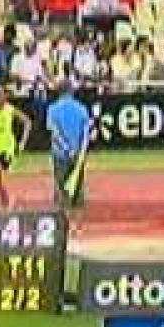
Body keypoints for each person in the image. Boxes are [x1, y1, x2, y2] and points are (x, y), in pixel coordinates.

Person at [46, 80, 92, 232]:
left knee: (61, 187)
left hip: (60, 154)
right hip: (78, 154)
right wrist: (81, 152)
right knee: (77, 188)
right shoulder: (81, 108)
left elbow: (54, 132)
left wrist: (66, 148)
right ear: (71, 91)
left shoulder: (53, 109)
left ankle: (62, 225)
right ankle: (77, 226)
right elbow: (86, 134)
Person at [0, 87, 32, 208]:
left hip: (5, 150)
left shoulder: (9, 109)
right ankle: (7, 205)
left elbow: (27, 122)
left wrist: (22, 142)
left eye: (1, 95)